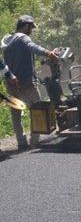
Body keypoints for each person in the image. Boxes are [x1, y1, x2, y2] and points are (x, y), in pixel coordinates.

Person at [2, 15, 58, 149]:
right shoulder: (23, 38)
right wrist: (48, 53)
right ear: (26, 26)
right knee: (37, 110)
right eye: (31, 27)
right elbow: (33, 47)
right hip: (27, 84)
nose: (31, 30)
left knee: (16, 114)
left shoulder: (7, 39)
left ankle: (21, 143)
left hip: (11, 83)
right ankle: (34, 141)